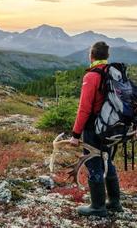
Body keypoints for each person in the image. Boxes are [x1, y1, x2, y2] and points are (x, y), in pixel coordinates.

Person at [69, 41, 123, 217]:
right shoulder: (114, 73)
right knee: (107, 160)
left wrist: (75, 134)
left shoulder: (91, 76)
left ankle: (98, 207)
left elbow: (84, 109)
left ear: (91, 55)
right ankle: (115, 202)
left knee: (93, 163)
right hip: (112, 127)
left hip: (94, 128)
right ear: (107, 56)